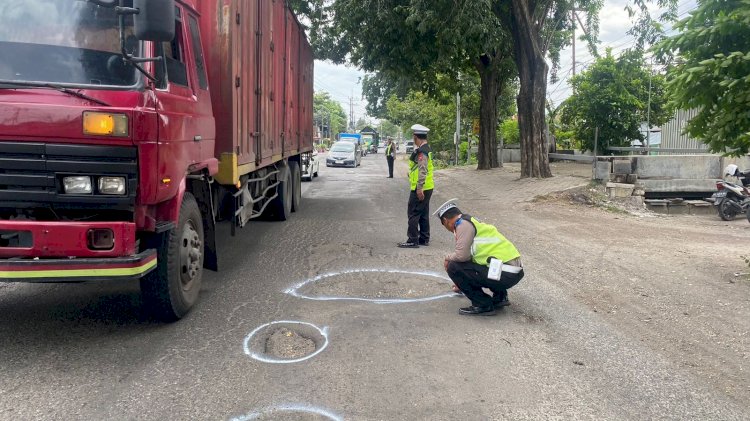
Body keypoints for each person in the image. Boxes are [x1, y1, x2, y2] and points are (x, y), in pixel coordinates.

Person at [434, 199, 524, 316]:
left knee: (453, 266)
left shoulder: (462, 225)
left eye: (444, 225)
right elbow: (473, 258)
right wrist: (461, 283)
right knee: (483, 262)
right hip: (513, 270)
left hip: (505, 274)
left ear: (445, 221)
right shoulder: (472, 221)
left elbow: (462, 256)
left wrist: (447, 258)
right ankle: (500, 297)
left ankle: (482, 304)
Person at [397, 124, 434, 248]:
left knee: (413, 213)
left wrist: (419, 188)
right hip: (427, 187)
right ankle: (424, 238)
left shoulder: (422, 152)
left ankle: (413, 240)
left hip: (421, 188)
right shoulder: (425, 149)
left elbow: (423, 170)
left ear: (416, 137)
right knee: (423, 213)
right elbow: (419, 168)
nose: (413, 138)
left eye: (413, 136)